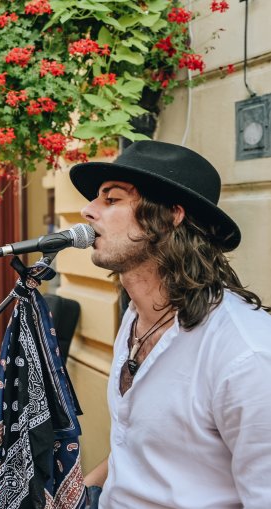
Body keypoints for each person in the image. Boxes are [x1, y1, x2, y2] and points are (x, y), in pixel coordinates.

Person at [71, 141, 271, 508]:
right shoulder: (136, 317)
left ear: (170, 216)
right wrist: (78, 493)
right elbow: (136, 450)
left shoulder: (247, 354)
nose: (88, 211)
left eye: (112, 200)